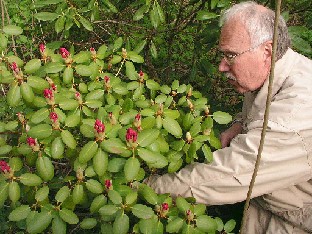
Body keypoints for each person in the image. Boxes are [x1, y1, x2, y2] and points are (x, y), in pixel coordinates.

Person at [146, 1, 312, 233]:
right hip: (265, 203)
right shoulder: (274, 71)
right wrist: (239, 123)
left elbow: (224, 177)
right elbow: (262, 109)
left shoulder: (297, 113)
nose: (222, 67)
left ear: (268, 50)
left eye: (231, 55)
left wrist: (146, 188)